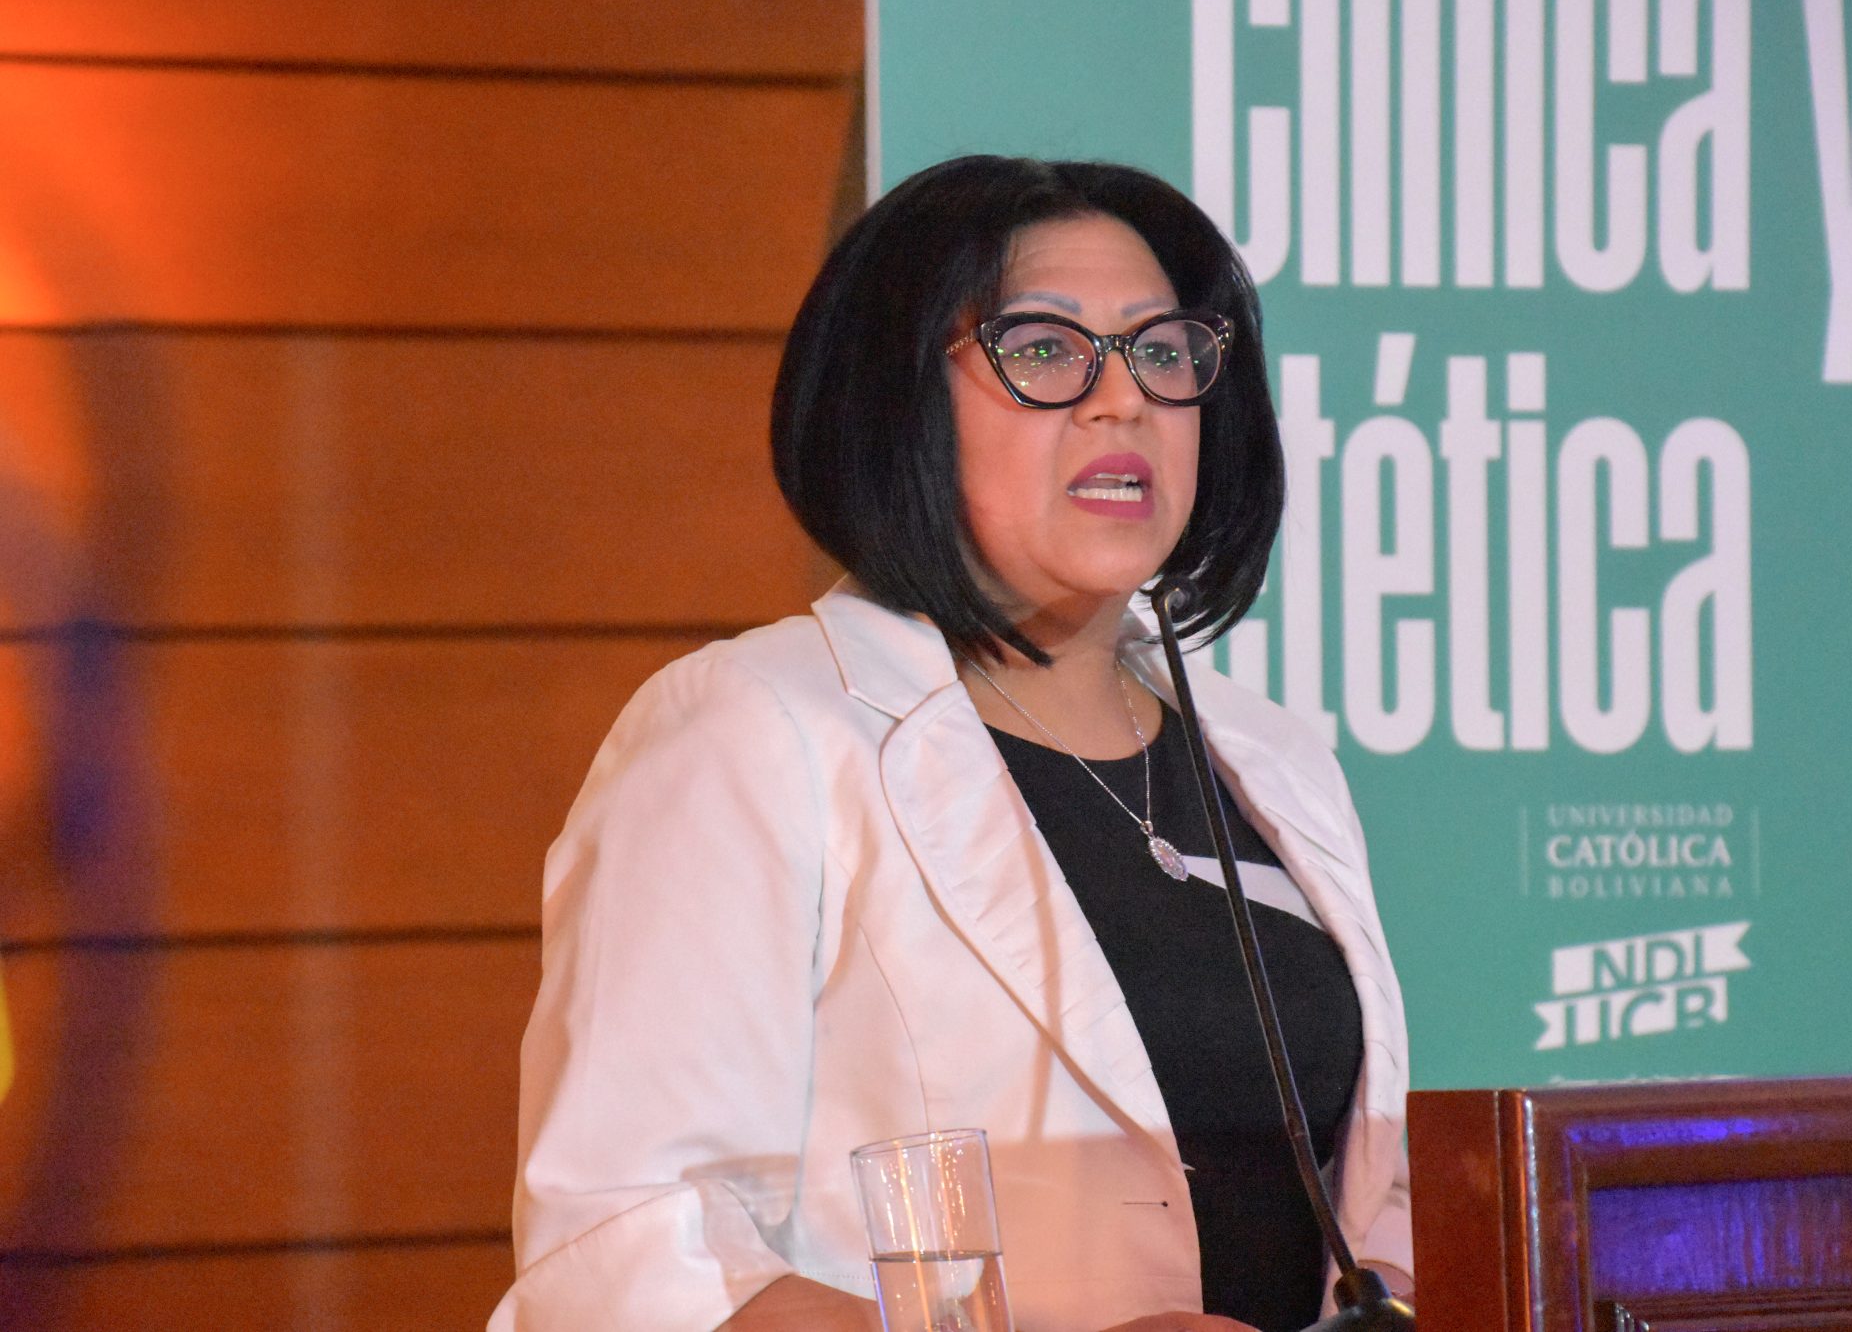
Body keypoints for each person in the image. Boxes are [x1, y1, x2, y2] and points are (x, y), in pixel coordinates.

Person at [488, 155, 1409, 1332]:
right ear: (897, 402)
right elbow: (628, 1255)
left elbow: (1371, 1206)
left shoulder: (1274, 759)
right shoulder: (752, 730)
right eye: (1044, 349)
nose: (1121, 400)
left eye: (1162, 351)